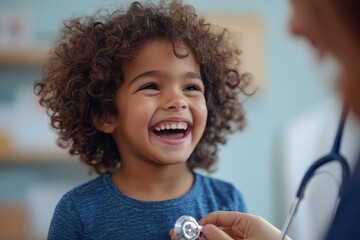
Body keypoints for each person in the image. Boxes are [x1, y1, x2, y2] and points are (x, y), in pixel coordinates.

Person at [34, 0, 253, 239]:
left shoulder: (228, 202)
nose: (177, 100)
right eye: (151, 86)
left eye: (191, 87)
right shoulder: (78, 212)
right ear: (106, 113)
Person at [192, 0, 360, 239]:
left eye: (190, 87)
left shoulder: (225, 197)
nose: (293, 27)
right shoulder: (302, 135)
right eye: (151, 86)